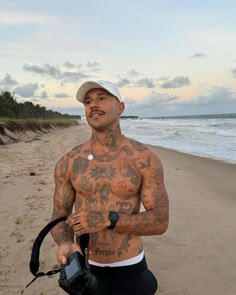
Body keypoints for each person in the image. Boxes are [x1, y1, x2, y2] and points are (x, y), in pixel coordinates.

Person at [51, 80, 169, 295]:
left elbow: (160, 221)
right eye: (88, 101)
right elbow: (59, 215)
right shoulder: (68, 161)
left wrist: (109, 219)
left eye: (101, 98)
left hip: (130, 267)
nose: (93, 105)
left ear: (121, 108)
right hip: (85, 268)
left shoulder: (144, 159)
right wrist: (65, 242)